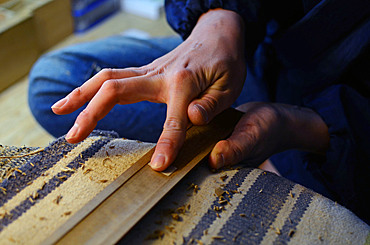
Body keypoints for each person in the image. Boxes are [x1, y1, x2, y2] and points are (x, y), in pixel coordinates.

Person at [29, 1, 369, 223]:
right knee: (54, 80)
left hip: (341, 131)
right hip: (260, 60)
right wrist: (218, 18)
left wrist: (298, 129)